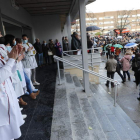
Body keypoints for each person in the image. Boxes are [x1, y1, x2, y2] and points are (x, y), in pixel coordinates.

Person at [0, 45, 24, 140]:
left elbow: (10, 71)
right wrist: (11, 60)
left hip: (7, 98)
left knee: (10, 133)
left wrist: (13, 58)